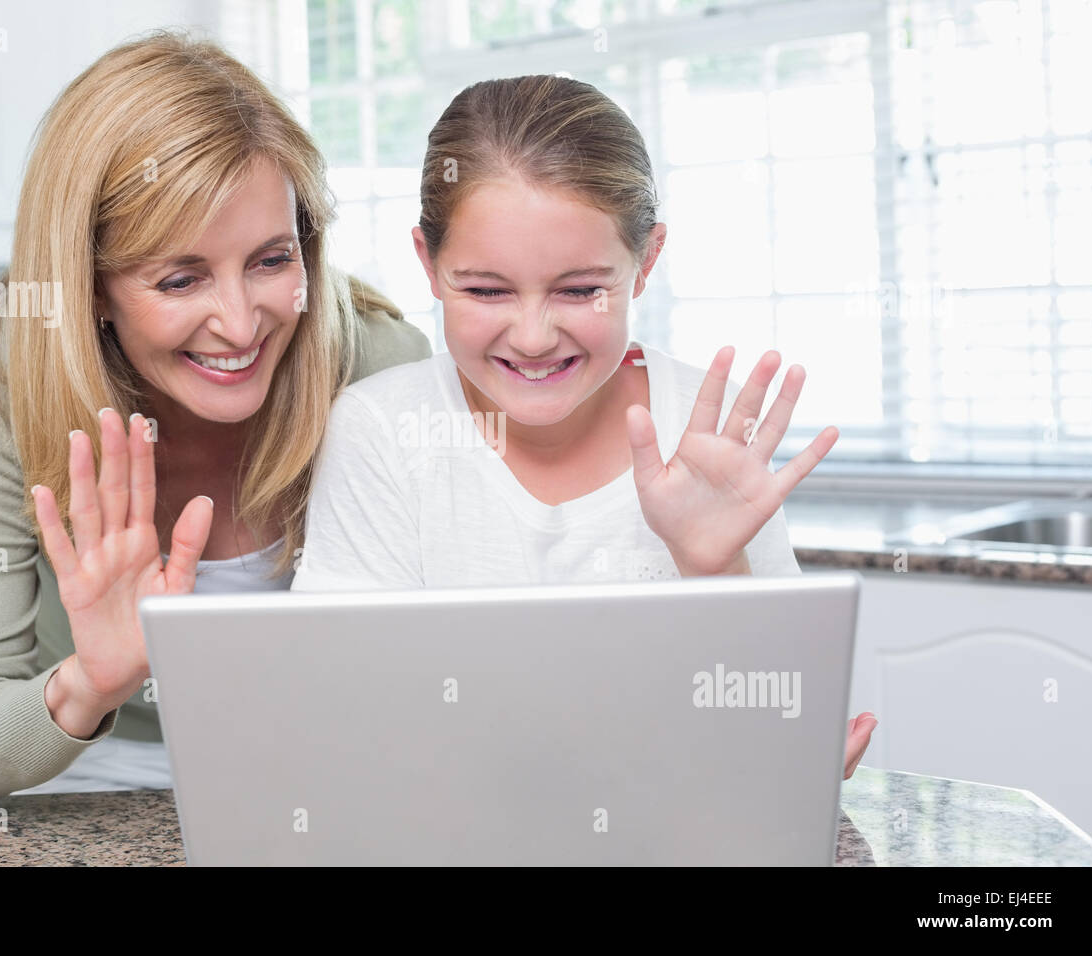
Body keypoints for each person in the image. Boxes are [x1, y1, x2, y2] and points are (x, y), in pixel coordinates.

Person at [292, 74, 876, 778]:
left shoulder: (706, 433)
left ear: (646, 261)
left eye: (579, 290)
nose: (534, 337)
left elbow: (780, 740)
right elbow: (343, 718)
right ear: (427, 262)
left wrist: (712, 567)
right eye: (485, 290)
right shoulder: (381, 432)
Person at [0, 32, 430, 810]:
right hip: (90, 778)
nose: (239, 322)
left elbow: (448, 667)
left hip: (331, 766)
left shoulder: (378, 364)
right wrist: (89, 684)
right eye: (181, 278)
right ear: (88, 287)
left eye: (270, 260)